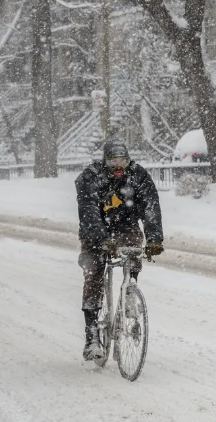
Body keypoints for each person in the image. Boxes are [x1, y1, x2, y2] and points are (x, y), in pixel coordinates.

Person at [75, 140, 164, 361]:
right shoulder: (91, 177)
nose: (118, 166)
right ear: (104, 161)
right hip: (96, 228)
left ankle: (130, 288)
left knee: (133, 248)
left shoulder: (138, 176)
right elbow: (88, 211)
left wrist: (154, 238)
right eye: (113, 161)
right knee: (94, 272)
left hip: (125, 224)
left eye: (122, 161)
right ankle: (92, 336)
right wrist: (101, 239)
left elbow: (151, 206)